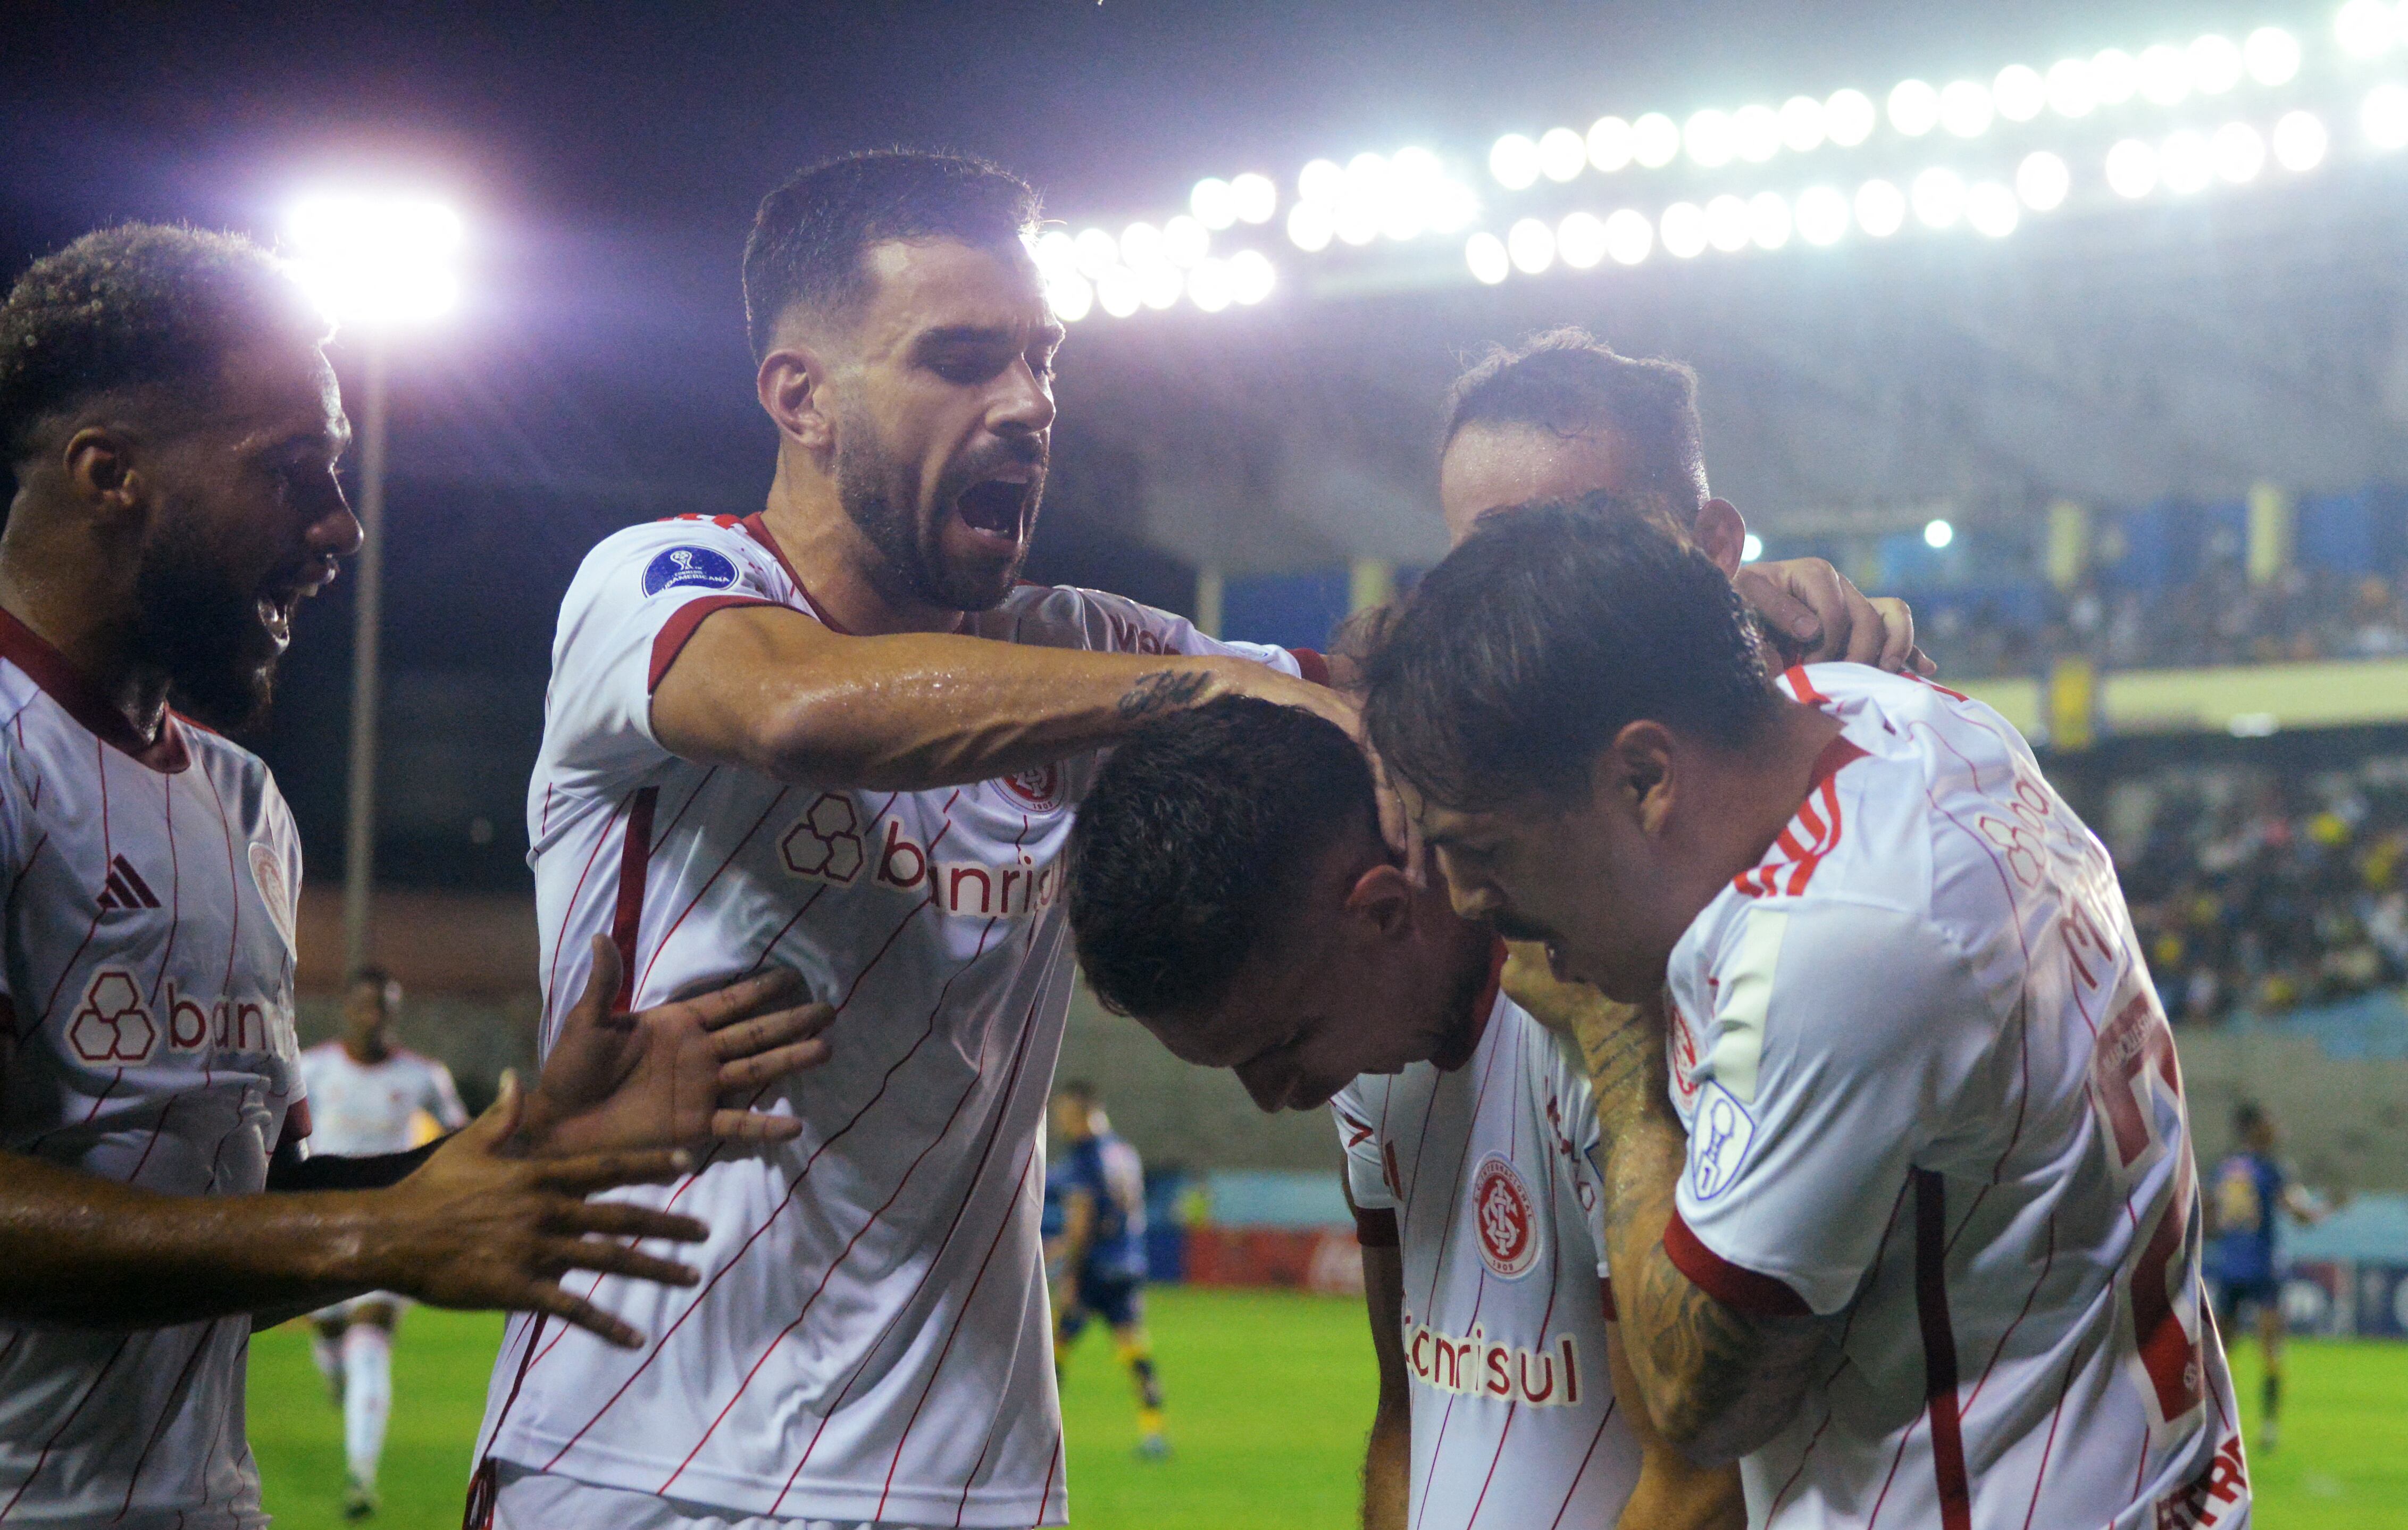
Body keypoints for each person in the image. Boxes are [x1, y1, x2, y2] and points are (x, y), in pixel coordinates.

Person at [464, 149, 1353, 1530]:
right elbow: (796, 705)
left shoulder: (1075, 646)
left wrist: (1719, 601)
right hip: (645, 1460)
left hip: (975, 1480)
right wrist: (1208, 683)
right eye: (960, 358)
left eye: (1040, 359)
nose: (1027, 405)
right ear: (801, 395)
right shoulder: (661, 581)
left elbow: (1372, 686)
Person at [0, 223, 838, 1529]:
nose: (342, 524)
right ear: (110, 474)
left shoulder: (241, 807)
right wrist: (376, 1240)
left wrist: (516, 1157)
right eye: (292, 473)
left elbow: (237, 1230)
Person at [1364, 503, 2250, 1528]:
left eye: (1484, 850)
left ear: (1645, 777)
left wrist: (1611, 1042)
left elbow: (1699, 1403)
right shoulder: (1901, 717)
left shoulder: (1838, 943)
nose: (1471, 903)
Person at [1066, 697, 1742, 1530]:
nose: (1279, 1099)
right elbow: (1405, 1413)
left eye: (1283, 1044)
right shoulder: (1364, 1067)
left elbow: (1702, 1489)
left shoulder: (1594, 1022)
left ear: (1382, 912)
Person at [299, 969, 473, 1519]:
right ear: (347, 1009)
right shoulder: (313, 1067)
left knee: (370, 1341)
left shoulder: (423, 1075)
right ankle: (337, 1375)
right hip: (322, 1227)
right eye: (364, 1006)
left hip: (390, 1228)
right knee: (331, 1336)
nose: (373, 1016)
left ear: (394, 1015)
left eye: (384, 1008)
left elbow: (458, 1136)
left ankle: (360, 1477)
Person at [1042, 1082, 1167, 1459]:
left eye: (1063, 1114)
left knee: (1053, 1353)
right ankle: (1155, 1434)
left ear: (1079, 1114)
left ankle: (1040, 1436)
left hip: (1094, 1267)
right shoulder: (1124, 1152)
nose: (1059, 1122)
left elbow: (1083, 1222)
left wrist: (1068, 1272)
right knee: (1135, 1351)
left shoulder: (1084, 1158)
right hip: (1128, 1264)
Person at [2207, 1101, 2335, 1453]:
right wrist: (2328, 1210)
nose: (2276, 1126)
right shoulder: (2271, 1169)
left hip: (2230, 1269)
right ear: (2254, 1128)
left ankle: (2215, 1428)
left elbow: (2212, 1218)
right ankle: (2268, 1428)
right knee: (2271, 1351)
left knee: (2220, 1356)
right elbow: (2300, 1214)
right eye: (2270, 1121)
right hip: (2263, 1271)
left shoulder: (2224, 1167)